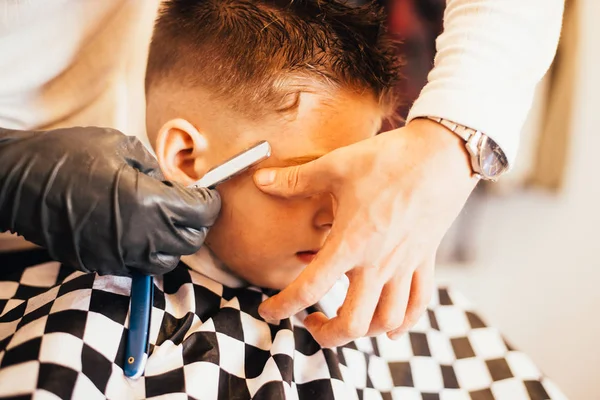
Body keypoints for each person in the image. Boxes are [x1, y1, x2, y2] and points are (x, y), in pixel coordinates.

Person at [0, 2, 567, 398]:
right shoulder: (81, 326)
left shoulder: (409, 318)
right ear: (188, 158)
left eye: (359, 179)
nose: (345, 218)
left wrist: (452, 141)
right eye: (310, 178)